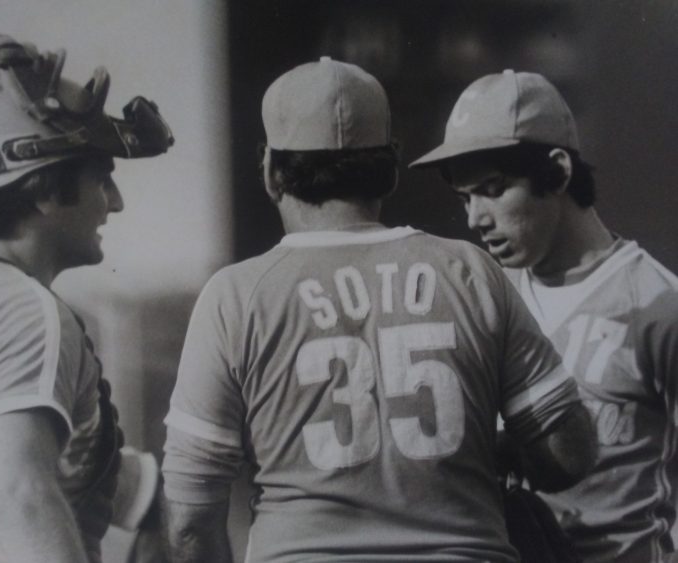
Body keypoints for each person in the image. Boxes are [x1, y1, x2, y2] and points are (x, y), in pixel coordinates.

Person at [161, 57, 595, 562]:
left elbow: (191, 522)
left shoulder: (235, 297)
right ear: (390, 167)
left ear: (271, 171)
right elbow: (569, 452)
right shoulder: (470, 271)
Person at [410, 69, 678, 563]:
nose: (475, 218)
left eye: (493, 188)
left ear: (557, 171)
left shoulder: (659, 305)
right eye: (466, 197)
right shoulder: (485, 297)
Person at [0, 34, 173, 563]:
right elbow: (20, 493)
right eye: (101, 178)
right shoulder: (22, 309)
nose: (116, 202)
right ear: (42, 189)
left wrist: (144, 488)